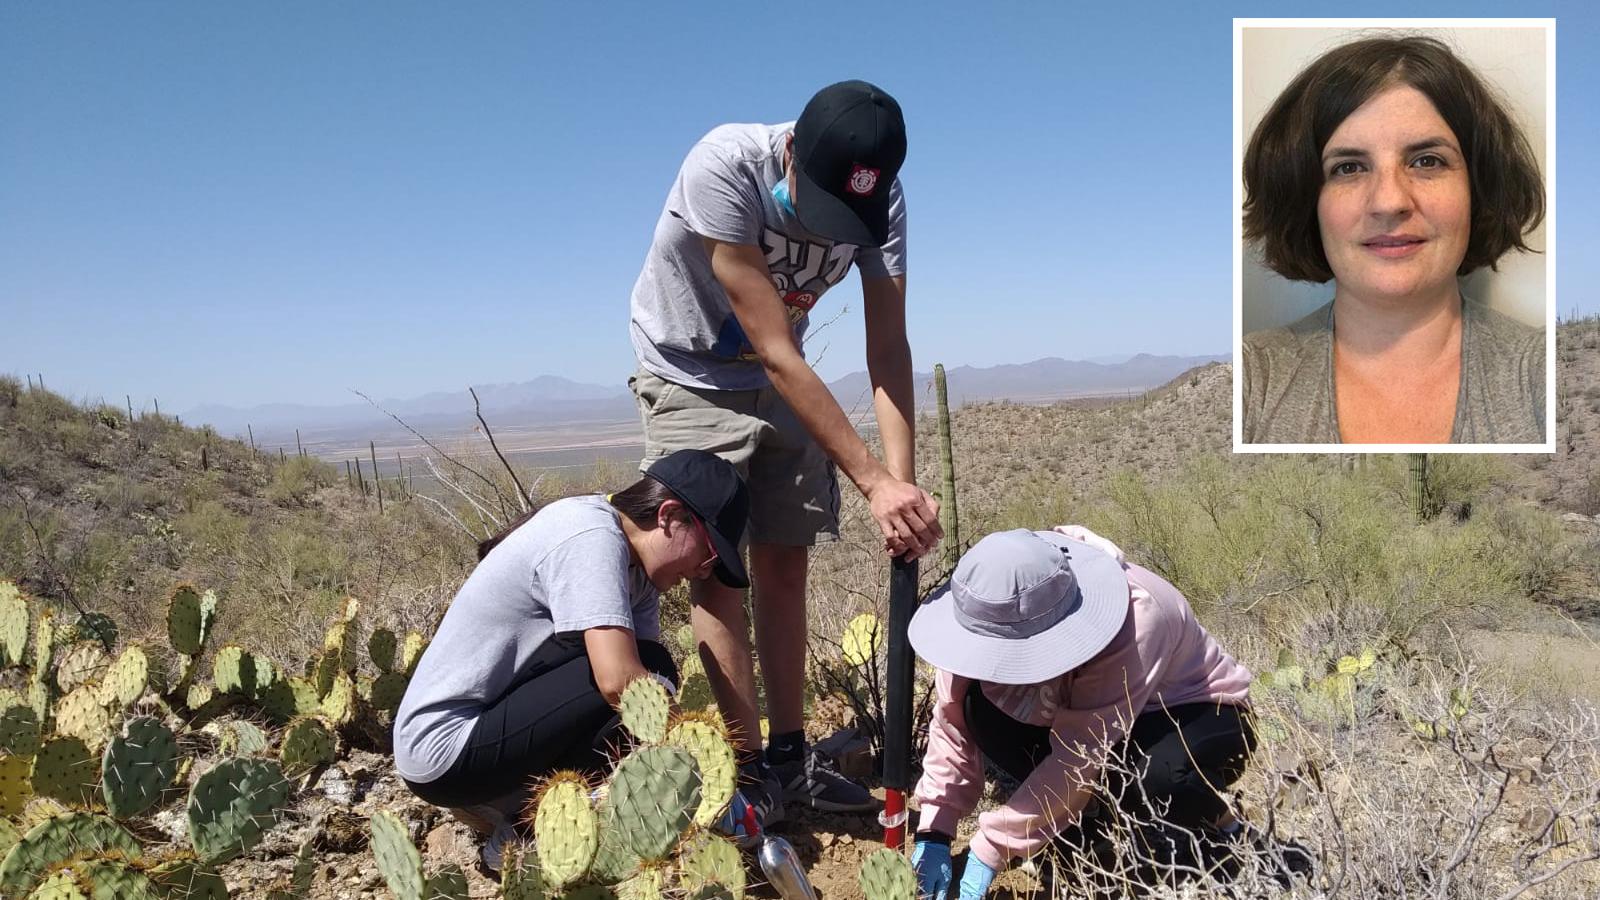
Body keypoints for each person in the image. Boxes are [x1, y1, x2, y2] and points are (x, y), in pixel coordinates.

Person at [627, 79, 942, 824]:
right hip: (692, 372)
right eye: (826, 206)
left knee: (785, 557)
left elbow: (889, 348)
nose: (835, 231)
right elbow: (770, 347)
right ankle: (741, 781)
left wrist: (902, 487)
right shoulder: (725, 167)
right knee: (717, 569)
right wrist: (868, 481)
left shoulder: (883, 202)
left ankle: (790, 762)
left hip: (785, 377)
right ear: (791, 151)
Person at [393, 449, 751, 872]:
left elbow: (637, 708)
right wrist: (702, 773)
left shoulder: (638, 574)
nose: (702, 573)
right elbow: (621, 682)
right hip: (445, 749)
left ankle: (534, 811)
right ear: (670, 517)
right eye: (708, 555)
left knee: (654, 671)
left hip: (490, 732)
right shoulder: (590, 535)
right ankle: (522, 830)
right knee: (646, 672)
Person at [906, 526, 1283, 899]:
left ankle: (1223, 825)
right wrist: (934, 829)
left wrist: (991, 846)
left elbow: (1080, 755)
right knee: (977, 706)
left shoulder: (1137, 618)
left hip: (1196, 713)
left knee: (1157, 776)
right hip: (1090, 717)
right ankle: (1084, 825)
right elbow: (951, 724)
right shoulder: (982, 611)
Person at [1241, 35, 1546, 444]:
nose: (1389, 202)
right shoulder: (1249, 380)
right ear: (1303, 201)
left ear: (1479, 188)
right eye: (1348, 168)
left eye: (1427, 161)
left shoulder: (1549, 373)